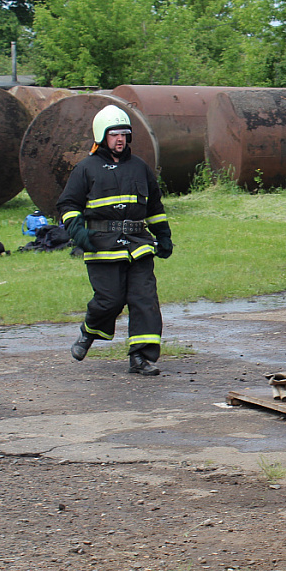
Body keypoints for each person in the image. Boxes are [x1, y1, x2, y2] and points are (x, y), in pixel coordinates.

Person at [58, 105, 172, 376]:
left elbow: (155, 207)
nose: (120, 139)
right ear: (102, 136)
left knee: (145, 300)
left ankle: (140, 358)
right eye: (114, 134)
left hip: (138, 244)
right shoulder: (85, 169)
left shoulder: (140, 168)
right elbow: (67, 205)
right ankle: (88, 333)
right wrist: (79, 232)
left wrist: (164, 236)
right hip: (102, 246)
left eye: (124, 134)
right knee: (109, 301)